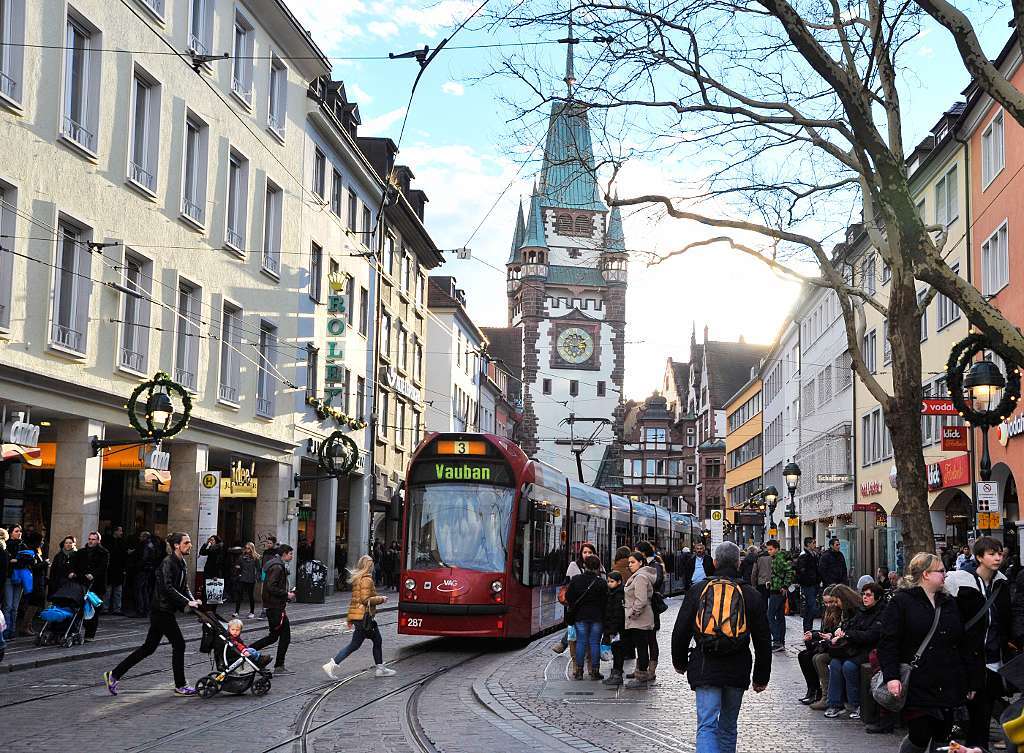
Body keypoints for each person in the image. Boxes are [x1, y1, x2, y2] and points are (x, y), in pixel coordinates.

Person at [878, 552, 984, 753]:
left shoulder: (949, 602)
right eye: (941, 571)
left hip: (948, 679)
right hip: (919, 680)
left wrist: (971, 680)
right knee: (920, 733)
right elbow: (888, 643)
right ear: (926, 574)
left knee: (942, 734)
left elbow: (963, 643)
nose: (945, 574)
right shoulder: (901, 602)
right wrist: (891, 677)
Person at [671, 541, 772, 753]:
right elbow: (763, 639)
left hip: (705, 665)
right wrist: (761, 677)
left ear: (715, 562)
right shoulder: (750, 594)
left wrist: (680, 662)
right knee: (728, 726)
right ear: (738, 562)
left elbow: (680, 630)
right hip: (737, 667)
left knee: (706, 726)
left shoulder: (699, 590)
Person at [104, 532, 201, 696]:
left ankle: (114, 675)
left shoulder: (181, 562)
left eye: (189, 542)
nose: (190, 545)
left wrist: (193, 601)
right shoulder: (167, 562)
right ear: (176, 545)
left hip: (165, 610)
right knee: (179, 644)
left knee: (148, 648)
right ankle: (181, 685)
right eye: (186, 543)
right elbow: (167, 587)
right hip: (161, 610)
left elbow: (184, 587)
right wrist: (186, 602)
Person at [947, 536, 1013, 749]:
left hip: (994, 658)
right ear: (979, 557)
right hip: (969, 659)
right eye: (992, 554)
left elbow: (1006, 618)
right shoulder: (961, 583)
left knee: (983, 715)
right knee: (966, 715)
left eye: (1000, 554)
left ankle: (979, 747)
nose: (997, 558)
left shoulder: (1002, 583)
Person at [322, 554, 396, 678]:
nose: (373, 566)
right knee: (372, 641)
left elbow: (353, 602)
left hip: (360, 618)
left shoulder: (358, 579)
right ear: (368, 566)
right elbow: (364, 599)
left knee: (360, 643)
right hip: (364, 618)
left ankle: (379, 668)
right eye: (371, 564)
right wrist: (381, 599)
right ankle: (380, 669)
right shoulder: (367, 579)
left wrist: (350, 619)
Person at [822, 582, 884, 720]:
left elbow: (871, 635)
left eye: (869, 595)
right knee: (835, 664)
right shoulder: (861, 611)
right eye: (863, 594)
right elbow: (850, 626)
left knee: (848, 666)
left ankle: (856, 704)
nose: (865, 598)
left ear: (877, 597)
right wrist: (841, 631)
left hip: (869, 650)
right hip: (854, 648)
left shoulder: (881, 612)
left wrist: (848, 634)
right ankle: (834, 704)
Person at [249, 543, 295, 674]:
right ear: (284, 554)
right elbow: (271, 586)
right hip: (275, 607)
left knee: (274, 637)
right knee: (284, 637)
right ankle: (279, 666)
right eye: (290, 554)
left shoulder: (275, 564)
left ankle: (247, 651)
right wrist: (287, 594)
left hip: (274, 606)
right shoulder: (277, 567)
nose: (292, 556)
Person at [552, 541, 603, 655]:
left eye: (590, 552)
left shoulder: (599, 566)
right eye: (585, 552)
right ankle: (567, 646)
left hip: (592, 603)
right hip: (577, 601)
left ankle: (565, 645)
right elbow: (567, 583)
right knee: (575, 623)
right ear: (581, 553)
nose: (587, 554)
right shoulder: (574, 565)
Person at [566, 554, 609, 680]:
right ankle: (595, 671)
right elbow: (605, 601)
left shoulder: (576, 580)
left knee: (581, 643)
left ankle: (579, 671)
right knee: (595, 643)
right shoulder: (601, 583)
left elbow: (569, 598)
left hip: (580, 616)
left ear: (584, 565)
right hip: (597, 617)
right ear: (598, 568)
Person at [623, 550, 657, 689]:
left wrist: (632, 613)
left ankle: (641, 676)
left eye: (633, 562)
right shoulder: (639, 575)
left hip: (640, 618)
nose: (630, 565)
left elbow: (641, 600)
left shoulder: (641, 577)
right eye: (629, 562)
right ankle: (640, 673)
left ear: (641, 562)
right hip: (641, 618)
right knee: (641, 645)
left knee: (642, 646)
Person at [636, 540, 666, 682]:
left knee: (651, 638)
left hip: (651, 606)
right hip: (643, 605)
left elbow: (657, 581)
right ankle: (640, 667)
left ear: (643, 552)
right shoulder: (642, 564)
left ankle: (651, 670)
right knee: (641, 638)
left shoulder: (655, 565)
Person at [75, 531, 109, 641]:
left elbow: (103, 567)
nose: (91, 541)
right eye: (90, 538)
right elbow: (78, 565)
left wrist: (93, 574)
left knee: (94, 610)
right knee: (81, 609)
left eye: (93, 539)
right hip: (83, 584)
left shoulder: (103, 553)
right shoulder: (82, 552)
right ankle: (78, 631)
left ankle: (90, 634)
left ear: (98, 541)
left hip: (97, 585)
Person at [765, 540, 793, 652]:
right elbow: (781, 574)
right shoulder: (778, 558)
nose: (769, 552)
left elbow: (789, 572)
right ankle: (780, 641)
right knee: (780, 616)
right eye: (768, 549)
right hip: (777, 589)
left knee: (770, 616)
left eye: (771, 549)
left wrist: (785, 585)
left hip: (777, 591)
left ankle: (777, 641)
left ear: (776, 548)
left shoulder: (779, 559)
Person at [602, 570, 627, 686]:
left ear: (619, 582)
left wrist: (612, 630)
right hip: (614, 629)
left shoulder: (618, 595)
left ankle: (617, 674)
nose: (609, 584)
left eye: (612, 581)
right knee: (616, 650)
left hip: (617, 630)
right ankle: (616, 672)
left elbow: (617, 615)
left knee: (618, 651)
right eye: (608, 581)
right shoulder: (612, 593)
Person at [3, 524, 28, 640]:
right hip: (9, 577)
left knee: (15, 607)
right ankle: (6, 631)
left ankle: (12, 631)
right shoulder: (6, 545)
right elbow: (6, 560)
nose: (19, 533)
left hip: (19, 578)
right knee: (8, 606)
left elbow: (28, 559)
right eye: (17, 531)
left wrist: (17, 560)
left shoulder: (23, 545)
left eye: (20, 531)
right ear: (11, 533)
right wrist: (15, 560)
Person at [794, 537, 820, 633]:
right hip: (808, 585)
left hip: (814, 584)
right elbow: (801, 571)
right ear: (808, 544)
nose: (815, 544)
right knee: (811, 607)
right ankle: (807, 628)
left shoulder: (813, 554)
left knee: (811, 607)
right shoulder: (804, 555)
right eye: (813, 543)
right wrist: (807, 580)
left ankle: (809, 628)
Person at [105, 526, 128, 615]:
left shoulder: (121, 542)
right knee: (109, 589)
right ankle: (107, 608)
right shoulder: (110, 542)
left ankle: (116, 608)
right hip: (112, 569)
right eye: (120, 531)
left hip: (118, 569)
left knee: (117, 590)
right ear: (115, 531)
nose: (121, 533)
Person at [233, 542, 259, 618]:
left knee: (250, 595)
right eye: (246, 548)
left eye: (248, 548)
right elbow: (238, 566)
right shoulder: (241, 557)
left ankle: (252, 612)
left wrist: (257, 577)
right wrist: (237, 570)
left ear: (252, 549)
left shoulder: (255, 558)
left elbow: (258, 568)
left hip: (251, 578)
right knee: (239, 595)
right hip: (242, 578)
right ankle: (236, 612)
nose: (247, 549)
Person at [199, 535, 225, 604]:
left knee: (214, 590)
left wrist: (216, 574)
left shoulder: (219, 549)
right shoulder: (211, 549)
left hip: (214, 572)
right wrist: (206, 543)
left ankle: (212, 608)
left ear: (216, 541)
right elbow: (202, 552)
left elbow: (219, 562)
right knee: (205, 588)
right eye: (210, 540)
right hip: (208, 570)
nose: (211, 541)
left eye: (212, 540)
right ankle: (204, 606)